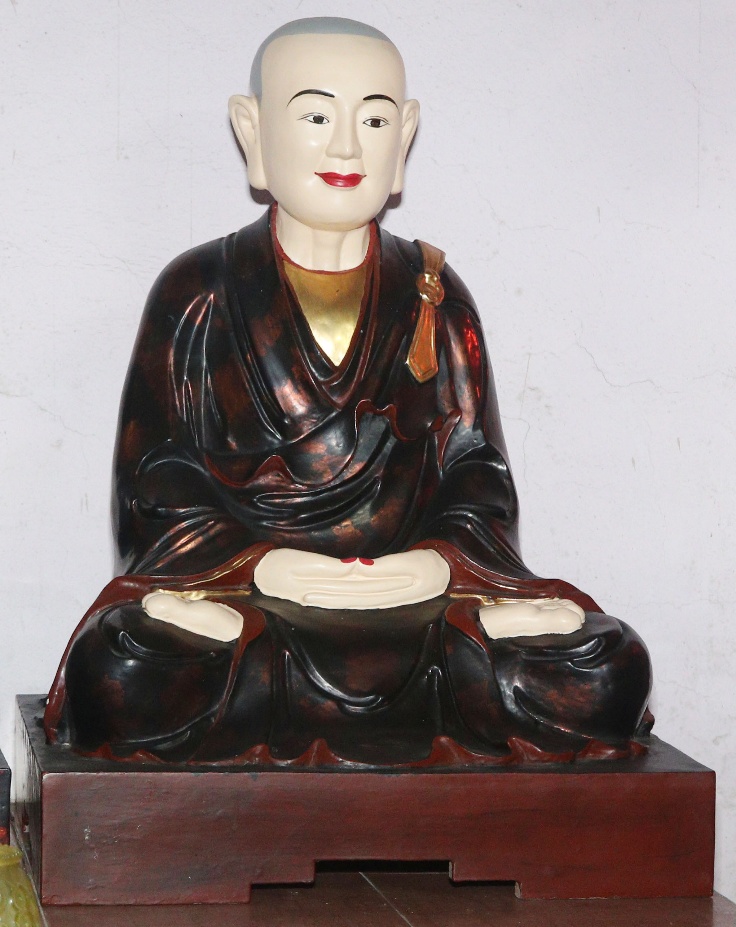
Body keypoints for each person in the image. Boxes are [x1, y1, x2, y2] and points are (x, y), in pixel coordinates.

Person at [44, 18, 652, 766]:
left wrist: (434, 564)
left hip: (413, 608)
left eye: (373, 121)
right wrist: (263, 565)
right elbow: (154, 486)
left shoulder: (435, 296)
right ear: (253, 131)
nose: (346, 149)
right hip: (255, 605)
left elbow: (477, 475)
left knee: (603, 667)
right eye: (315, 117)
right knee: (125, 670)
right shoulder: (198, 291)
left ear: (405, 137)